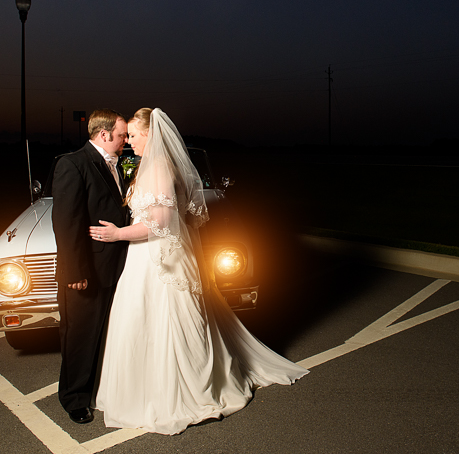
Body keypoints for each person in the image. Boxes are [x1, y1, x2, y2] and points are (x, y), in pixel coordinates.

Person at [89, 107, 308, 434]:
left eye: (133, 135)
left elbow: (161, 223)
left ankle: (180, 392)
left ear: (150, 134)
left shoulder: (160, 168)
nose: (129, 142)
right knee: (144, 321)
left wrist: (118, 234)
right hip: (149, 259)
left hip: (158, 261)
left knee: (166, 322)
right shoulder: (157, 166)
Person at [52, 108, 131, 424]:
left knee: (105, 333)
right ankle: (74, 399)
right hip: (87, 271)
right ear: (104, 134)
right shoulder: (72, 164)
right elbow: (67, 223)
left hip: (116, 266)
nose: (125, 140)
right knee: (80, 335)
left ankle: (99, 388)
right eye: (122, 135)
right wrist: (75, 272)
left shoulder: (120, 165)